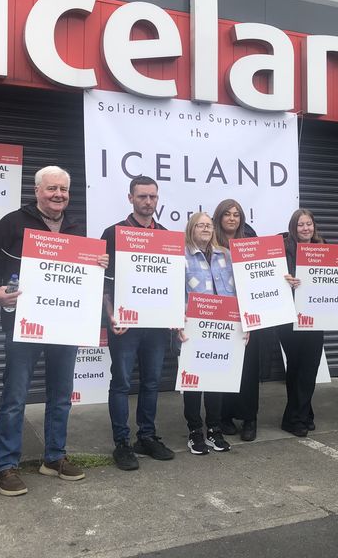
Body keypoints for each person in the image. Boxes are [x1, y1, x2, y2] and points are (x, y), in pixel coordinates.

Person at [0, 165, 97, 496]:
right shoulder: (12, 223)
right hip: (23, 323)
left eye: (63, 189)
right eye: (51, 189)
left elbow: (81, 277)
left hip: (65, 324)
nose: (58, 195)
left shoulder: (75, 227)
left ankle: (54, 458)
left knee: (61, 395)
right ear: (37, 191)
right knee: (15, 397)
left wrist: (96, 264)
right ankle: (4, 467)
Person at [100, 176, 175, 471]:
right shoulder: (114, 233)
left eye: (152, 197)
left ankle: (147, 436)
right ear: (130, 198)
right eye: (142, 196)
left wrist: (172, 315)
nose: (148, 202)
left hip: (156, 325)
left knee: (153, 381)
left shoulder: (167, 235)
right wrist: (109, 314)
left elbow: (170, 282)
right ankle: (122, 443)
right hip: (125, 323)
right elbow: (104, 284)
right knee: (121, 382)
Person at [279, 209, 338, 436]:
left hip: (315, 316)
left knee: (309, 367)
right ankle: (298, 417)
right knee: (296, 367)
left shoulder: (324, 247)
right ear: (294, 227)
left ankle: (299, 414)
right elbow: (271, 278)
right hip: (289, 317)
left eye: (309, 224)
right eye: (301, 225)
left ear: (314, 226)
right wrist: (285, 280)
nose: (305, 228)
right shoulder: (282, 249)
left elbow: (335, 278)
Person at [179, 212, 243, 454]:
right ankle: (195, 431)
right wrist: (176, 324)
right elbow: (173, 292)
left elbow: (242, 289)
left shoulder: (225, 255)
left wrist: (243, 325)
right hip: (192, 329)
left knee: (216, 381)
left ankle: (214, 430)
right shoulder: (180, 256)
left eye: (208, 225)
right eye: (200, 225)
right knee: (193, 383)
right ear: (191, 229)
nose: (205, 228)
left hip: (223, 328)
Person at [214, 198, 266, 442]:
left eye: (236, 214)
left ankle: (249, 418)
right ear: (219, 217)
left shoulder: (250, 238)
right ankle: (224, 416)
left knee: (248, 368)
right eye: (227, 214)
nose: (232, 218)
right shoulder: (210, 241)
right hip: (221, 312)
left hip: (249, 312)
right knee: (224, 365)